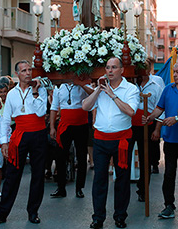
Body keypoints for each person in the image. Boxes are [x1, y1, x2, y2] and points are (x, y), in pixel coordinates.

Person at [82, 57, 139, 229]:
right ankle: (98, 217)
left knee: (122, 179)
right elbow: (85, 106)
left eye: (114, 67)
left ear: (122, 70)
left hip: (122, 140)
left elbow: (130, 111)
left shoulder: (130, 89)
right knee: (99, 179)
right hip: (100, 140)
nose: (110, 71)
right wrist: (98, 91)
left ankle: (120, 216)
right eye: (107, 67)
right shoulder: (100, 87)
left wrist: (113, 96)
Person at [0, 60, 48, 224]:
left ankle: (33, 212)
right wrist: (4, 142)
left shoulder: (39, 89)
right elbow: (6, 119)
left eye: (29, 70)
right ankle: (2, 213)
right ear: (17, 74)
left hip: (38, 133)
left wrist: (36, 93)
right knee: (12, 174)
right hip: (20, 134)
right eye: (24, 70)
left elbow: (41, 111)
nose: (28, 73)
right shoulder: (12, 94)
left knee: (38, 175)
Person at [142, 61, 178, 219]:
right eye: (174, 71)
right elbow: (159, 108)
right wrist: (150, 117)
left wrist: (176, 118)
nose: (175, 74)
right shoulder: (168, 89)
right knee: (169, 173)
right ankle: (169, 205)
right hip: (170, 138)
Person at [49, 79, 93, 198]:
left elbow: (93, 94)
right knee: (60, 156)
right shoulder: (59, 87)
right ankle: (61, 187)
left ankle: (79, 188)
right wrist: (52, 127)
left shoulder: (82, 84)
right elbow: (54, 107)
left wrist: (81, 84)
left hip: (81, 125)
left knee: (82, 156)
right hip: (65, 125)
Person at [132, 63, 163, 202]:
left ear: (147, 70)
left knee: (146, 159)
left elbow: (161, 108)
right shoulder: (130, 83)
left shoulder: (156, 86)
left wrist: (157, 129)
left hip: (148, 125)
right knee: (124, 155)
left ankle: (143, 189)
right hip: (130, 125)